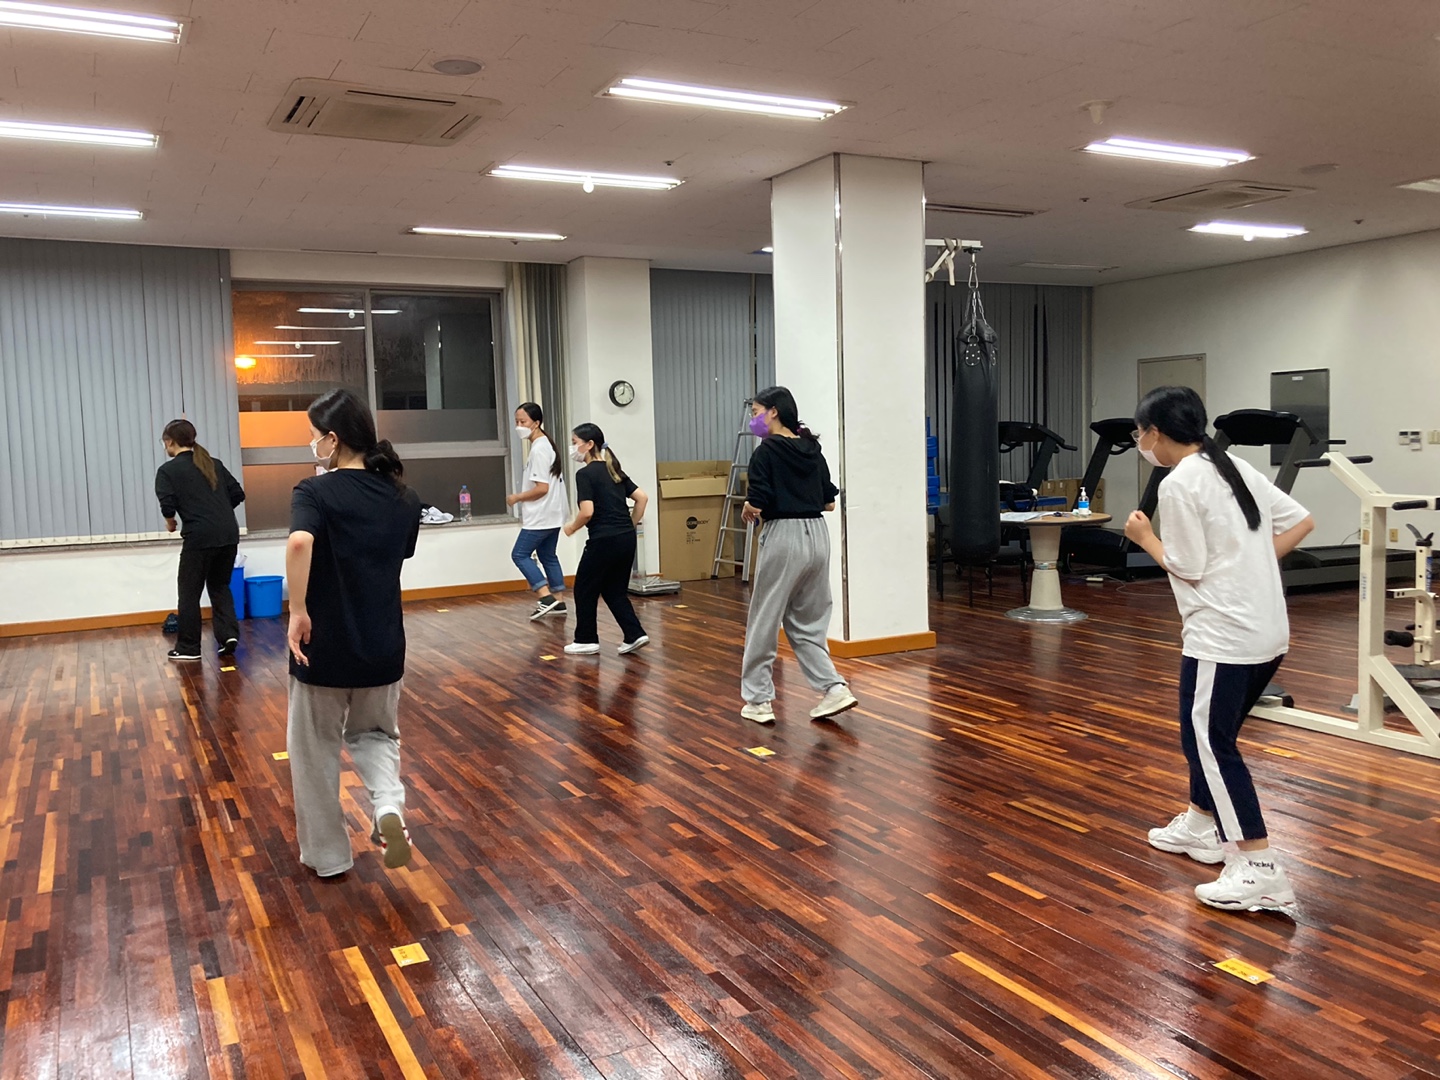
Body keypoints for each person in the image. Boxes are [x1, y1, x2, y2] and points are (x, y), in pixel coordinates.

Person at [1123, 385, 1314, 915]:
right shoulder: (1232, 466)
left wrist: (1144, 537)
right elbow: (1303, 521)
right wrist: (1249, 567)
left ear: (1154, 433)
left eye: (1140, 434)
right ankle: (1201, 823)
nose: (1141, 444)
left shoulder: (1180, 482)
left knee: (1210, 742)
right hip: (1265, 632)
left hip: (1224, 637)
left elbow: (1186, 566)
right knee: (1208, 735)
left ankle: (1259, 868)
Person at [285, 389, 423, 877]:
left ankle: (328, 857)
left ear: (333, 438)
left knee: (314, 753)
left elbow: (300, 542)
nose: (312, 444)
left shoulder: (314, 491)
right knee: (377, 735)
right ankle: (386, 805)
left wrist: (297, 610)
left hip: (322, 648)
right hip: (382, 647)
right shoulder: (404, 497)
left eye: (313, 435)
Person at [738, 386, 858, 725]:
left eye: (756, 412)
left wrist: (749, 506)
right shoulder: (812, 449)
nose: (753, 420)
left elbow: (758, 500)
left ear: (773, 411)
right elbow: (829, 502)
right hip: (818, 536)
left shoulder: (766, 452)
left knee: (764, 617)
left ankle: (758, 700)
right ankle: (833, 688)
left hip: (784, 536)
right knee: (807, 621)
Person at [155, 419, 246, 662]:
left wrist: (171, 523)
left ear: (169, 442)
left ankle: (188, 647)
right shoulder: (214, 464)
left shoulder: (168, 471)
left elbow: (168, 506)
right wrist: (217, 512)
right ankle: (228, 636)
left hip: (199, 537)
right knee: (220, 586)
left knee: (189, 592)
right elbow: (238, 493)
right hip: (228, 534)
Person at [561, 423, 649, 656]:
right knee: (613, 590)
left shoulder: (585, 474)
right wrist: (629, 525)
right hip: (626, 539)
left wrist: (572, 527)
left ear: (589, 444)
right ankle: (634, 634)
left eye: (574, 443)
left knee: (584, 588)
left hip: (603, 540)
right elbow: (642, 498)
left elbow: (587, 512)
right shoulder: (614, 470)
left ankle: (586, 639)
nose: (572, 448)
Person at [505, 402, 568, 621]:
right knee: (548, 556)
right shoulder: (544, 445)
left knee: (519, 554)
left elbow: (542, 488)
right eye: (516, 421)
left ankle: (545, 596)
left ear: (536, 422)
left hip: (541, 515)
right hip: (553, 514)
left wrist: (517, 497)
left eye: (523, 421)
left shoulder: (540, 449)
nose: (519, 426)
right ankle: (558, 600)